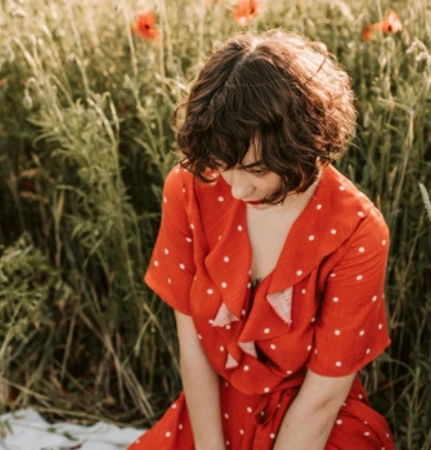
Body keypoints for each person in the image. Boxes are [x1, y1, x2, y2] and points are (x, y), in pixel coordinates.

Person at [130, 29, 395, 450]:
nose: (236, 190)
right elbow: (194, 347)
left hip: (311, 423)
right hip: (213, 410)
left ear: (301, 147)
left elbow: (324, 396)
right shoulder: (190, 187)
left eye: (255, 170)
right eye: (224, 164)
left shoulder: (357, 231)